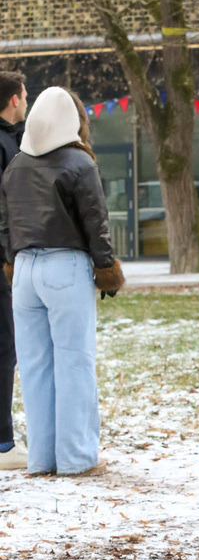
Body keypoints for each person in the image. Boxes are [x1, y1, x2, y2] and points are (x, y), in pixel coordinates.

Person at [0, 87, 124, 476]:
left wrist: (11, 263)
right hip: (65, 266)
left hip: (23, 272)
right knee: (74, 362)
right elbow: (96, 225)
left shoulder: (16, 165)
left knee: (35, 367)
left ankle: (41, 459)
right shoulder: (79, 163)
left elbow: (4, 225)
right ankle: (76, 458)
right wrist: (107, 272)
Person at [0, 71, 29, 471]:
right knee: (6, 345)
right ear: (13, 100)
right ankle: (4, 443)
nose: (27, 101)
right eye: (25, 95)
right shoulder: (6, 146)